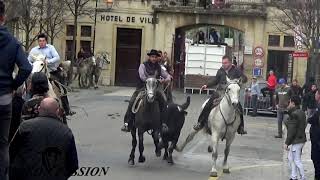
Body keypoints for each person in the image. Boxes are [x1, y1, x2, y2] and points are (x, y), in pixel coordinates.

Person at [0, 1, 33, 179]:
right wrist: (13, 85)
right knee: (3, 144)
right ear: (3, 17)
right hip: (4, 97)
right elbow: (26, 68)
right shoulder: (13, 41)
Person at [9, 98, 78, 180]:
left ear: (39, 109)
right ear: (57, 111)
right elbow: (73, 165)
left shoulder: (25, 127)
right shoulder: (66, 132)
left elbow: (11, 152)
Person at [193, 55, 248, 134]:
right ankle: (200, 123)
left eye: (225, 63)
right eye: (222, 63)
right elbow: (215, 80)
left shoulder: (236, 70)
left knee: (239, 107)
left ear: (230, 63)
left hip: (230, 93)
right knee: (208, 104)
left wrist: (240, 79)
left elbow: (245, 78)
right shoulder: (220, 71)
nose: (223, 64)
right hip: (220, 92)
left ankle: (241, 127)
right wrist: (207, 85)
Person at [121, 49, 171, 132]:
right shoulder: (143, 66)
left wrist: (167, 79)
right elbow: (142, 77)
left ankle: (164, 123)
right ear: (149, 57)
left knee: (164, 101)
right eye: (152, 57)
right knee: (133, 101)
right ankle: (127, 123)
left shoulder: (159, 67)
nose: (154, 59)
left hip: (154, 89)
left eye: (155, 57)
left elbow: (166, 75)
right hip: (142, 88)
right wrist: (155, 80)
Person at [28, 33, 74, 116]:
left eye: (43, 41)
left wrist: (48, 61)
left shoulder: (50, 48)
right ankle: (27, 106)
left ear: (46, 41)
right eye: (40, 41)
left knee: (61, 88)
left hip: (51, 72)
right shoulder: (34, 50)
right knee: (28, 87)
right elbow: (28, 60)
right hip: (37, 74)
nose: (41, 42)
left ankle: (67, 109)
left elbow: (57, 57)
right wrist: (33, 65)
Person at [284, 95, 307, 180]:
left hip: (297, 140)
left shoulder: (294, 114)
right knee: (291, 158)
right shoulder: (301, 112)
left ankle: (302, 177)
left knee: (296, 160)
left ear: (293, 103)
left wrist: (287, 143)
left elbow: (291, 130)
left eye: (289, 102)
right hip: (300, 139)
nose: (288, 104)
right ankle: (294, 176)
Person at [308, 89, 320, 180]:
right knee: (314, 158)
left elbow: (313, 119)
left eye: (316, 93)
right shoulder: (317, 105)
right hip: (315, 138)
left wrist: (310, 119)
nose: (315, 95)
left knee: (316, 158)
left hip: (317, 139)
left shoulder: (319, 107)